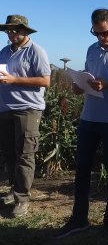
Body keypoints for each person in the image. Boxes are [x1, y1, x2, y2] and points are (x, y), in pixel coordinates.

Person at [54, 8, 108, 238]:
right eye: (96, 33)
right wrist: (79, 86)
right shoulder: (92, 49)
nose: (100, 38)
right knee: (81, 169)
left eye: (104, 33)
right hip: (88, 118)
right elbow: (89, 79)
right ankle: (79, 219)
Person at [0, 15, 51, 218]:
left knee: (24, 154)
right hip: (5, 109)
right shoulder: (4, 51)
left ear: (25, 31)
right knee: (10, 154)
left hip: (27, 109)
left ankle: (23, 199)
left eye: (14, 30)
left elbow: (45, 80)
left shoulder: (36, 51)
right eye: (8, 31)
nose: (11, 34)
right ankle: (14, 191)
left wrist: (14, 80)